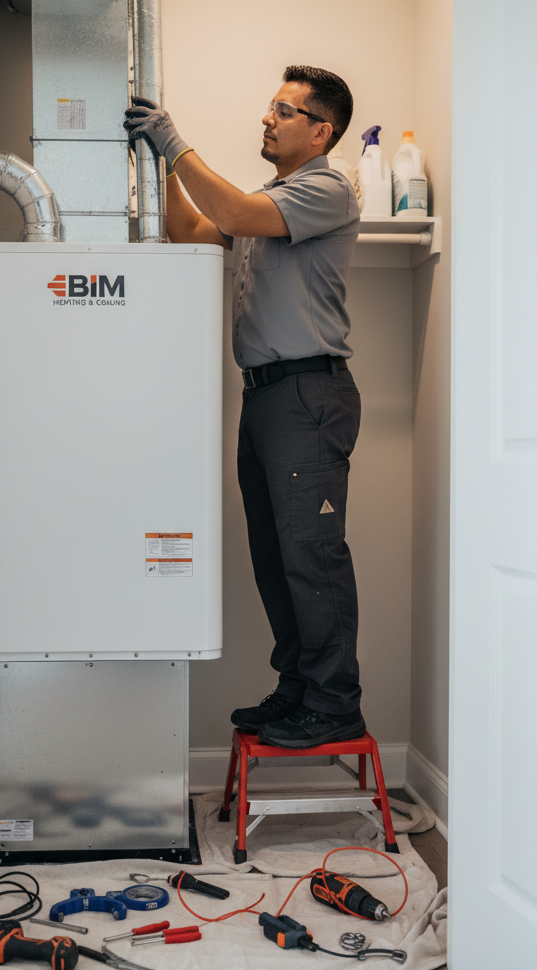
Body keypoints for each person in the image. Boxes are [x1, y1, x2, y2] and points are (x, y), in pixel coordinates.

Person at [124, 66, 363, 749]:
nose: (268, 119)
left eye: (284, 111)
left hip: (307, 396)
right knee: (274, 555)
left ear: (321, 129)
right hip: (265, 399)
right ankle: (299, 689)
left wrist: (172, 141)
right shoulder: (273, 198)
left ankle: (335, 702)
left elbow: (226, 214)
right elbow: (193, 233)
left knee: (311, 556)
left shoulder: (329, 184)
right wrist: (157, 162)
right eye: (270, 108)